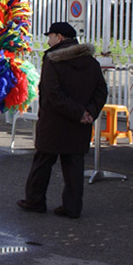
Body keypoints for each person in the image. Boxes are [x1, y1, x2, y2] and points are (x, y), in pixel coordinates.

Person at [17, 21, 108, 219]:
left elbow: (53, 94)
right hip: (79, 126)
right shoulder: (91, 62)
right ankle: (72, 207)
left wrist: (78, 113)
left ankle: (35, 201)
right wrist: (88, 113)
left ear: (59, 37)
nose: (48, 40)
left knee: (42, 163)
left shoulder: (53, 60)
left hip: (54, 123)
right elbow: (102, 91)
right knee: (74, 166)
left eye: (50, 36)